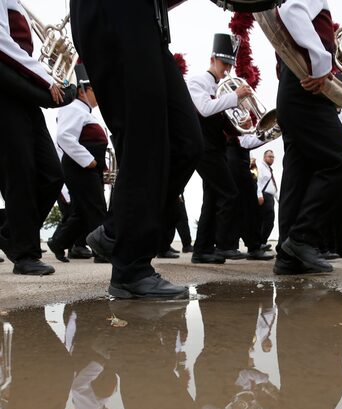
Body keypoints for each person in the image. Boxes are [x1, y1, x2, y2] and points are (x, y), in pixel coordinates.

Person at [70, 0, 203, 298]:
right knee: (144, 136)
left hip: (147, 17)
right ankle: (130, 269)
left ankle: (116, 230)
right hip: (114, 11)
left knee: (186, 142)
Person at [273, 0, 342, 275]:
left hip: (293, 89)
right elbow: (292, 11)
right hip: (307, 90)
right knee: (341, 163)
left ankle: (288, 257)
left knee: (298, 174)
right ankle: (301, 238)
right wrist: (322, 62)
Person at [0, 0, 64, 275]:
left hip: (24, 92)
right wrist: (45, 77)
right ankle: (25, 254)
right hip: (5, 91)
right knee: (20, 173)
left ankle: (8, 233)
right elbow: (3, 43)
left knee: (52, 175)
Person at [187, 33, 255, 264]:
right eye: (224, 63)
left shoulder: (221, 88)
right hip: (202, 147)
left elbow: (223, 120)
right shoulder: (197, 82)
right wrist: (235, 96)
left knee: (212, 197)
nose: (227, 69)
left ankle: (202, 251)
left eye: (230, 64)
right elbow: (205, 109)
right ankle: (225, 245)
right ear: (212, 58)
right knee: (230, 193)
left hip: (215, 146)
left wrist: (241, 124)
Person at [48, 64, 109, 264]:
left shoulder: (85, 111)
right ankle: (102, 250)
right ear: (85, 90)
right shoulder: (72, 107)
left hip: (87, 167)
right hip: (80, 167)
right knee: (96, 208)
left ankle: (58, 242)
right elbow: (64, 137)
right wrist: (88, 160)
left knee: (83, 210)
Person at [257, 149, 278, 248]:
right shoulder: (261, 167)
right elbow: (258, 182)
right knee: (267, 220)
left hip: (270, 197)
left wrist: (279, 199)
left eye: (273, 157)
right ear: (264, 157)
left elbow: (272, 187)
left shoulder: (269, 169)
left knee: (267, 221)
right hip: (264, 196)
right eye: (270, 156)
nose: (272, 159)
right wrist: (259, 195)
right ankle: (260, 243)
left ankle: (262, 242)